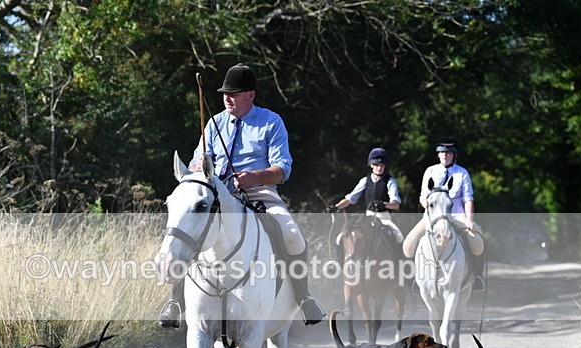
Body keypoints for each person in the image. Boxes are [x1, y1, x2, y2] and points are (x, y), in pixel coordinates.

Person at [158, 63, 326, 328]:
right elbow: (197, 161)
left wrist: (255, 176)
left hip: (258, 192)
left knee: (293, 236)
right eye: (225, 93)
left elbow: (283, 168)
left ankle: (304, 297)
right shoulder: (214, 123)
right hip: (217, 193)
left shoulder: (271, 122)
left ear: (250, 95)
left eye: (234, 93)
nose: (227, 98)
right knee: (190, 230)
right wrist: (195, 171)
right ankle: (176, 302)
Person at [402, 137, 485, 290]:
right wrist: (430, 207)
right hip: (433, 217)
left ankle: (477, 277)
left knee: (477, 244)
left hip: (456, 216)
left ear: (454, 155)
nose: (445, 155)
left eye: (448, 153)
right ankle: (416, 278)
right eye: (442, 153)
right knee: (408, 245)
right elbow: (422, 197)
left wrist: (469, 221)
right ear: (438, 155)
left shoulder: (462, 173)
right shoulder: (430, 171)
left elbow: (468, 199)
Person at [328, 147, 404, 245]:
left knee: (399, 237)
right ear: (371, 165)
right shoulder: (364, 181)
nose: (379, 168)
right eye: (376, 165)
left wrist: (384, 204)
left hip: (384, 219)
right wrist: (336, 207)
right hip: (367, 218)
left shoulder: (390, 181)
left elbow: (396, 205)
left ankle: (399, 259)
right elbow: (350, 198)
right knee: (340, 238)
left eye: (382, 165)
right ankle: (340, 259)